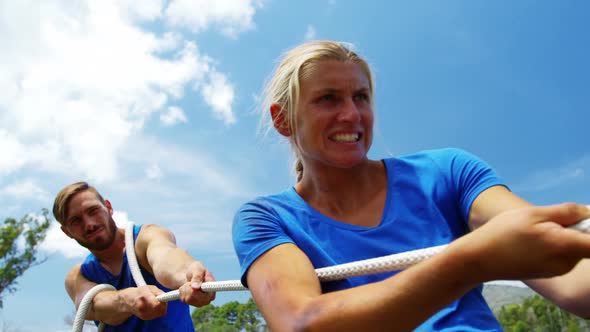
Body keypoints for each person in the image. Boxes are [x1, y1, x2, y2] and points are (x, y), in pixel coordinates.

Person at [232, 40, 590, 331]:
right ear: (283, 119)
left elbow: (575, 280)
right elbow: (301, 323)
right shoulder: (266, 219)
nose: (352, 115)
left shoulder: (448, 171)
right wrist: (473, 261)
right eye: (328, 99)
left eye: (361, 97)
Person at [53, 181, 216, 331]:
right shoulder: (79, 275)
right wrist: (127, 300)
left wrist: (188, 275)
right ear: (67, 232)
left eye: (93, 211)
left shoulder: (146, 236)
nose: (89, 224)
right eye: (76, 221)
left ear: (108, 207)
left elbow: (165, 255)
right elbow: (91, 304)